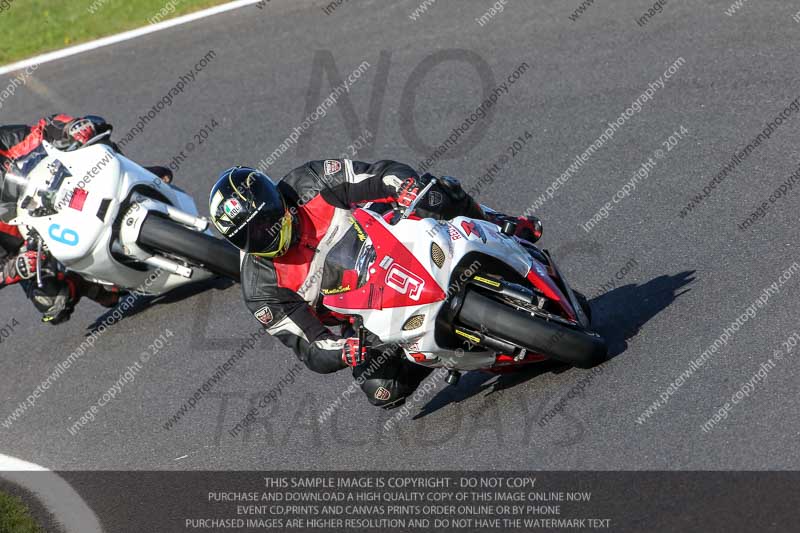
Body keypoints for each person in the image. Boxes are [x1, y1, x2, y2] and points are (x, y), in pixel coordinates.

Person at [208, 161, 542, 408]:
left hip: (394, 235)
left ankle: (497, 223)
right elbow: (310, 347)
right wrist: (345, 352)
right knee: (382, 390)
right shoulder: (261, 290)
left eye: (266, 220)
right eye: (249, 234)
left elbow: (376, 174)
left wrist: (403, 185)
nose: (264, 233)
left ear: (273, 199)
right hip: (369, 311)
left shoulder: (306, 182)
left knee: (439, 192)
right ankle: (454, 351)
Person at [0, 114, 171, 323]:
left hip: (52, 196)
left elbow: (42, 130)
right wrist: (11, 269)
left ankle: (139, 176)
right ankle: (93, 285)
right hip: (28, 246)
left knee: (91, 134)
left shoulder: (3, 141)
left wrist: (68, 127)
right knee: (52, 303)